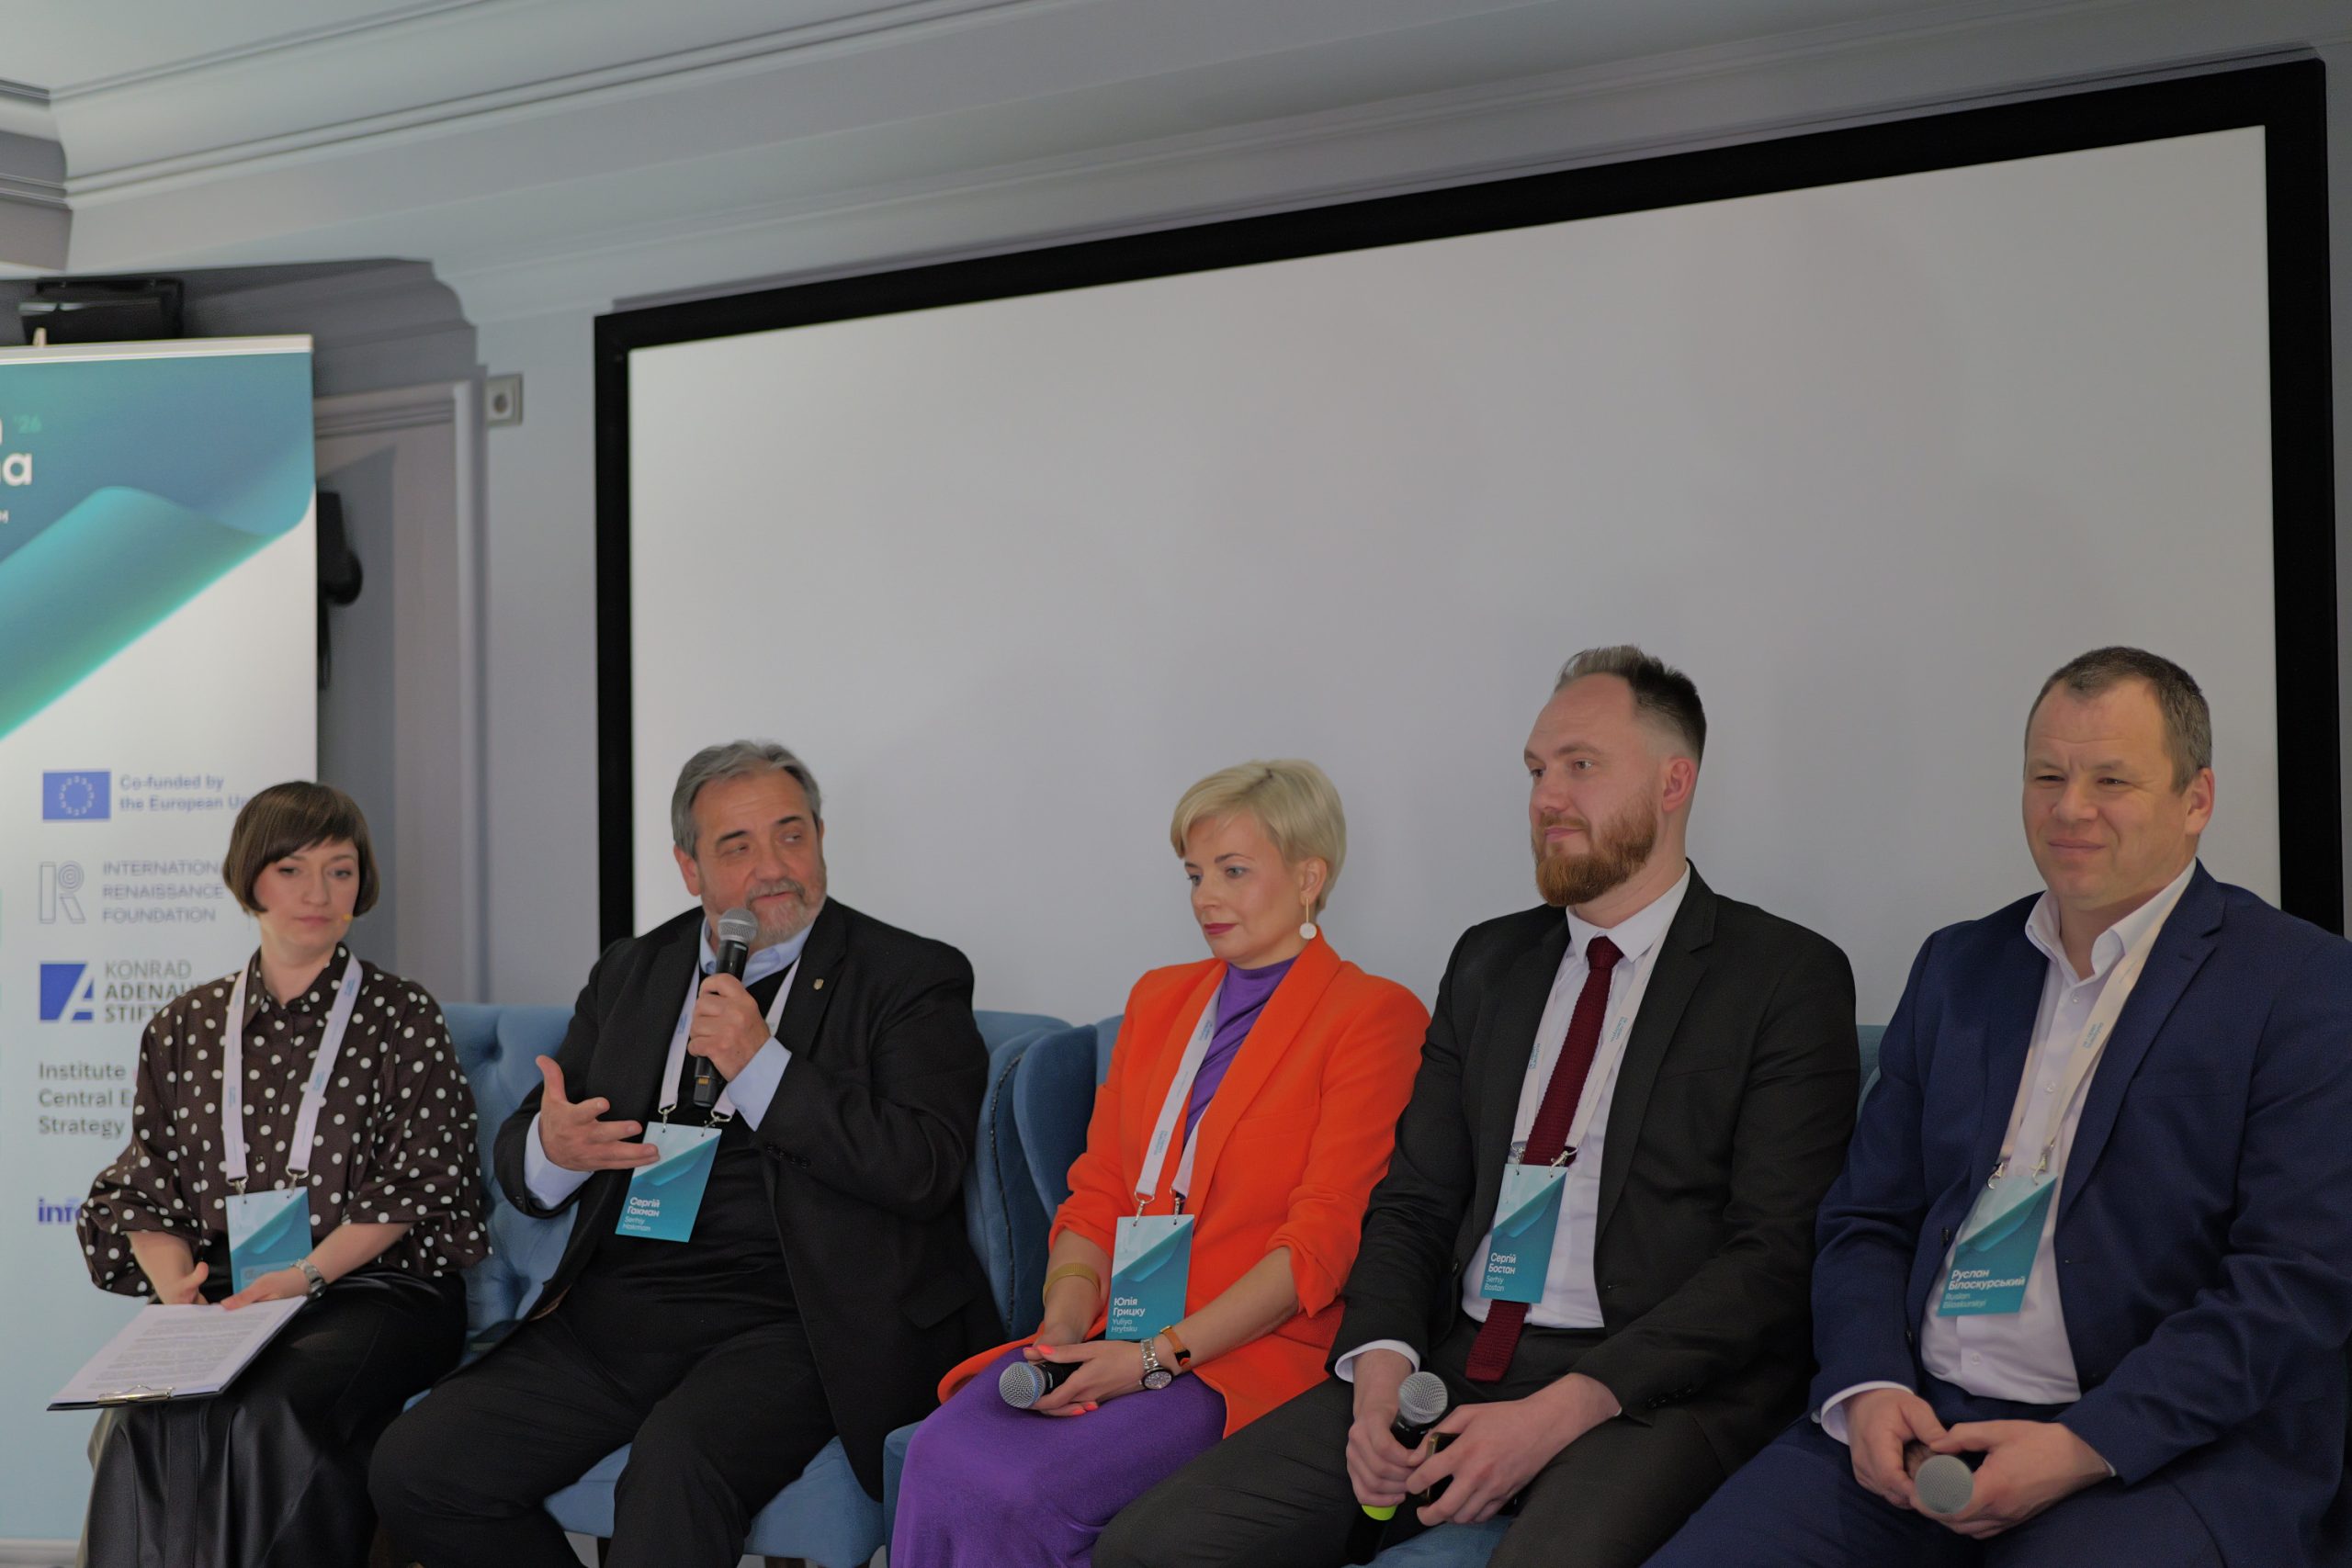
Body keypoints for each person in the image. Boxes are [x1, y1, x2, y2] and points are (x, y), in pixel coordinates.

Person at [1099, 647, 1860, 1568]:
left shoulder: (1783, 976)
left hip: (1648, 1389)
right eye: (1537, 771)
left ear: (1673, 781)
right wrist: (1379, 1367)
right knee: (1152, 1547)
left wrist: (1565, 1408)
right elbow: (1415, 1200)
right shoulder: (1489, 963)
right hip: (1454, 1362)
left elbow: (1773, 1256)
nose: (1547, 797)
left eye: (1581, 765)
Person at [1647, 647, 2352, 1568]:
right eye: (2047, 776)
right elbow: (1866, 1219)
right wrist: (1867, 1385)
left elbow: (2293, 1281)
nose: (2070, 808)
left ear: (2197, 800)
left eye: (2111, 780)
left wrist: (2083, 1444)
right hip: (1920, 1422)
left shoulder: (2302, 984)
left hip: (2157, 1451)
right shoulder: (1958, 966)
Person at [370, 740, 1001, 1568]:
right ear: (688, 867)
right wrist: (555, 1150)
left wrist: (764, 1067)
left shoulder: (909, 975)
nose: (772, 867)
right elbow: (531, 1143)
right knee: (419, 1467)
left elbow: (924, 1166)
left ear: (820, 837)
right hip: (625, 1306)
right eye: (736, 847)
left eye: (791, 834)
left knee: (675, 1471)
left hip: (799, 1317)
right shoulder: (635, 969)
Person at [893, 760, 1430, 1567]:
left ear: (1309, 876)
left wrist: (1151, 1359)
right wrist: (1063, 1326)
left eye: (1233, 870)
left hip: (1247, 1354)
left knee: (1022, 1491)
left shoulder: (1374, 1016)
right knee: (938, 1454)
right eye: (1195, 873)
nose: (1206, 896)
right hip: (1113, 1328)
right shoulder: (1159, 999)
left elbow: (1319, 1247)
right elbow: (1097, 1193)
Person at [74, 781, 488, 1568]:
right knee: (141, 1414)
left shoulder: (402, 1016)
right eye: (292, 869)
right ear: (250, 878)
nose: (318, 893)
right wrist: (176, 1293)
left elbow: (424, 1178)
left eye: (340, 870)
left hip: (376, 1289)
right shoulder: (185, 1025)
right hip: (230, 1294)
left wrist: (306, 1274)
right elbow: (143, 1185)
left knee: (267, 1410)